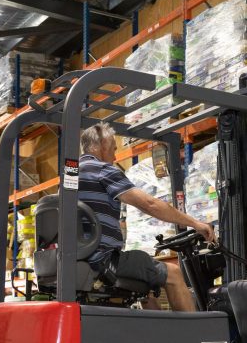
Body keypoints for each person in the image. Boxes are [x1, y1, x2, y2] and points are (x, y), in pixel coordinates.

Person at [78, 123, 215, 312]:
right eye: (114, 149)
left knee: (145, 283)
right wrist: (195, 223)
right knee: (174, 274)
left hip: (82, 258)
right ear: (102, 144)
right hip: (103, 260)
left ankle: (156, 337)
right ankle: (192, 339)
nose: (115, 157)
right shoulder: (102, 170)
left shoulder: (70, 174)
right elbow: (149, 204)